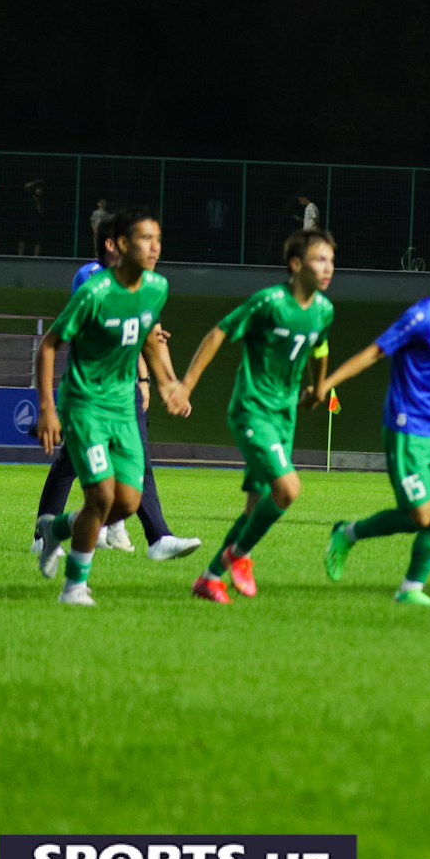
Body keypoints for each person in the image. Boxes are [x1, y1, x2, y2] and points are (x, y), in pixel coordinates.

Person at [316, 241, 430, 606]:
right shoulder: (421, 316)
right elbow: (374, 352)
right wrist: (326, 383)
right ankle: (348, 534)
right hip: (406, 428)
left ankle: (411, 588)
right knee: (421, 514)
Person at [31, 209, 188, 605]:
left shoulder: (157, 287)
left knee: (126, 502)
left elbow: (147, 335)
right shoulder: (93, 290)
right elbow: (49, 344)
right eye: (143, 238)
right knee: (101, 494)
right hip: (85, 402)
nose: (154, 246)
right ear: (118, 245)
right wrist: (48, 408)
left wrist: (166, 383)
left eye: (158, 238)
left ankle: (55, 529)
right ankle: (74, 587)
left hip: (123, 406)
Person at [171, 229, 336, 603]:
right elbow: (218, 333)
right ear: (295, 265)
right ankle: (239, 555)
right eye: (319, 259)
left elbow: (320, 347)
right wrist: (186, 385)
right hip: (252, 409)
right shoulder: (268, 302)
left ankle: (210, 578)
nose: (328, 268)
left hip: (285, 416)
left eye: (331, 260)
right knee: (287, 489)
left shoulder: (324, 310)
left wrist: (319, 387)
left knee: (256, 503)